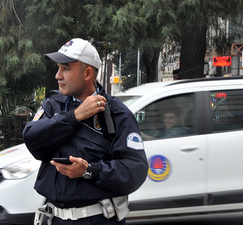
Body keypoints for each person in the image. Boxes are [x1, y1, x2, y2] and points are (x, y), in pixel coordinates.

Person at [22, 38, 148, 225]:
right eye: (58, 68)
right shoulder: (53, 105)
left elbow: (135, 171)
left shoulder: (117, 113)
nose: (58, 75)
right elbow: (31, 138)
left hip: (97, 219)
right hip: (54, 219)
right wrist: (74, 117)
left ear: (88, 73)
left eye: (65, 68)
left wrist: (90, 170)